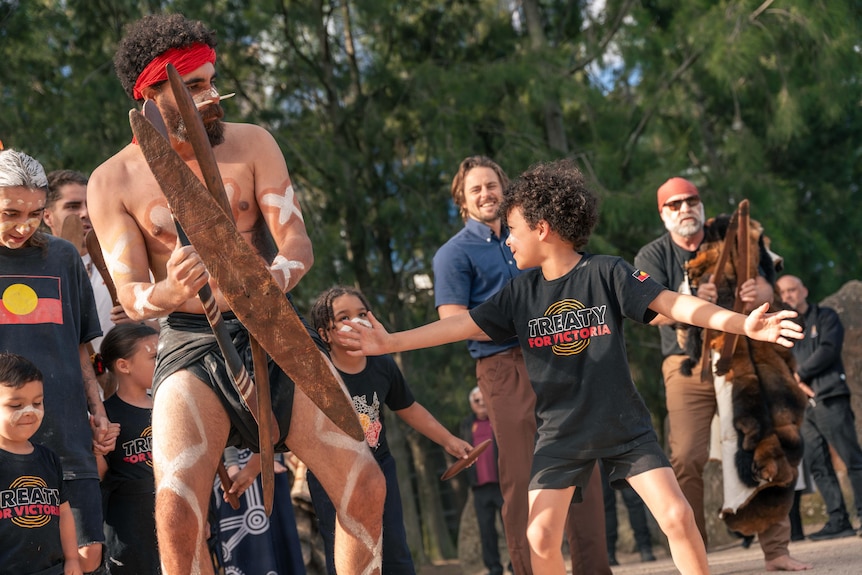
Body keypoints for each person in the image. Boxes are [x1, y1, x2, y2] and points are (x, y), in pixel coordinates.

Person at [338, 159, 805, 575]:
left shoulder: (608, 272)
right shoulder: (519, 293)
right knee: (540, 538)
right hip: (561, 436)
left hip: (624, 426)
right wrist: (390, 341)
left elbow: (676, 304)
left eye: (514, 230)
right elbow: (459, 326)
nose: (508, 241)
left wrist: (745, 324)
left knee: (678, 517)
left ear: (542, 228)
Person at [87, 14, 384, 575]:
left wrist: (276, 277)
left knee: (365, 482)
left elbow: (297, 240)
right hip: (190, 340)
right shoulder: (112, 181)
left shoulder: (253, 143)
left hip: (277, 329)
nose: (211, 95)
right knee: (175, 509)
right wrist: (172, 288)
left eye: (211, 79)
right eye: (193, 86)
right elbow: (131, 294)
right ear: (153, 94)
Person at [433, 155, 610, 575]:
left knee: (583, 460)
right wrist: (520, 321)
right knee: (523, 476)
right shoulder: (453, 254)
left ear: (504, 188)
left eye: (491, 185)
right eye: (475, 189)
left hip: (559, 354)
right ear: (463, 200)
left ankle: (593, 568)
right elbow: (453, 321)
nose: (485, 194)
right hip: (503, 366)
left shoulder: (534, 236)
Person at [634, 176, 812, 571]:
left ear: (700, 203)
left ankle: (777, 551)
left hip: (746, 357)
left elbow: (771, 285)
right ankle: (693, 556)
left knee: (766, 442)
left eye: (691, 200)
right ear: (662, 214)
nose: (685, 209)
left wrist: (759, 294)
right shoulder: (651, 255)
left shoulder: (734, 234)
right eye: (675, 204)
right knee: (686, 457)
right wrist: (690, 302)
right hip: (688, 363)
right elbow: (648, 314)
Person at [0, 149, 116, 574]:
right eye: (10, 212)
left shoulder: (63, 257)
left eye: (33, 213)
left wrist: (97, 412)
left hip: (67, 437)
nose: (23, 225)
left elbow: (81, 346)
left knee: (84, 558)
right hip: (4, 444)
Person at [306, 285, 473, 574]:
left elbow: (409, 408)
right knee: (345, 554)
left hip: (379, 468)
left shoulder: (383, 365)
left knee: (393, 547)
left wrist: (448, 440)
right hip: (331, 475)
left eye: (361, 314)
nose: (356, 322)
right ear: (324, 333)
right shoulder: (314, 374)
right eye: (344, 317)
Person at [777, 274, 862, 540]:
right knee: (817, 464)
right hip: (802, 406)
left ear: (804, 290)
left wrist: (798, 375)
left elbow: (828, 349)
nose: (789, 295)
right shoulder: (784, 327)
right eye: (784, 292)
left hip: (829, 396)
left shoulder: (826, 317)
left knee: (852, 458)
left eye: (793, 289)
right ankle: (839, 520)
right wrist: (792, 381)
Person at [0, 352, 83, 575]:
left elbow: (64, 513)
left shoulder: (49, 458)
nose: (29, 412)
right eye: (16, 405)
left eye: (37, 402)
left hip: (51, 569)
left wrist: (73, 558)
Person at [97, 323, 161, 574]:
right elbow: (99, 477)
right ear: (124, 365)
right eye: (155, 357)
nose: (162, 362)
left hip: (176, 521)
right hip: (127, 532)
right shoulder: (106, 416)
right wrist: (98, 449)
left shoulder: (169, 405)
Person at [43, 170, 118, 353]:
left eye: (89, 204)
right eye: (73, 206)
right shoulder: (34, 269)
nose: (85, 213)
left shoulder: (121, 261)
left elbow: (162, 328)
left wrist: (139, 319)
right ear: (47, 216)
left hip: (122, 378)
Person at [211, 448, 306, 575]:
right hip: (232, 466)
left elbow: (275, 429)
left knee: (278, 534)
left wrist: (274, 455)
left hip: (266, 457)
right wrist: (232, 463)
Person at [461, 387, 507, 575]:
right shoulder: (466, 425)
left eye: (483, 399)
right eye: (476, 401)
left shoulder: (498, 420)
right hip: (480, 487)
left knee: (510, 527)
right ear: (471, 404)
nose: (481, 404)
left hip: (502, 483)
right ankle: (494, 568)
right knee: (486, 531)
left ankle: (517, 564)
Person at [600, 460, 656, 565]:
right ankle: (645, 549)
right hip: (620, 450)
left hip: (601, 450)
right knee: (633, 503)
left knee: (608, 505)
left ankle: (609, 553)